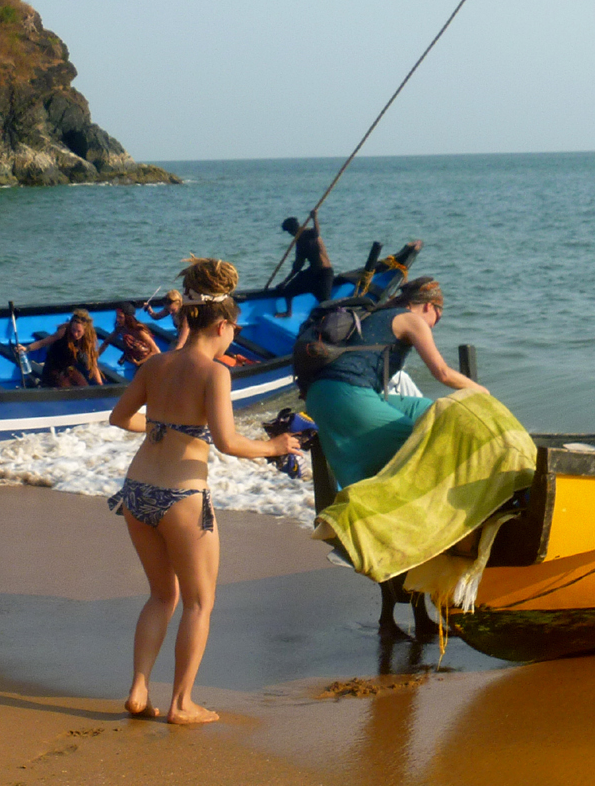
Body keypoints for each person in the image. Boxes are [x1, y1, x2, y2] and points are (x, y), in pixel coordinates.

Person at [106, 259, 300, 725]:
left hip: (136, 492)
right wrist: (274, 445)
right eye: (234, 328)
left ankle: (138, 690)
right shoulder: (215, 373)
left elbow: (118, 418)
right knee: (198, 602)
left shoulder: (155, 364)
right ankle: (180, 704)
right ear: (222, 324)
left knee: (160, 596)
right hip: (181, 498)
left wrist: (159, 427)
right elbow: (230, 443)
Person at [302, 277, 482, 493]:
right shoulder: (411, 319)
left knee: (430, 411)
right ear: (429, 306)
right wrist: (482, 393)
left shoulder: (377, 315)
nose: (434, 325)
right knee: (419, 452)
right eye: (437, 318)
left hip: (320, 395)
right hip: (347, 394)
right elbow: (442, 373)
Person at [25, 308, 106, 387]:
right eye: (73, 330)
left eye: (79, 332)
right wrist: (27, 348)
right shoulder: (63, 332)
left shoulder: (88, 339)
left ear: (85, 330)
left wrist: (100, 383)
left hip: (69, 369)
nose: (75, 334)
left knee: (84, 389)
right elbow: (42, 343)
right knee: (67, 392)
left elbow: (93, 364)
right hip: (53, 370)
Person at [272, 213, 333, 317]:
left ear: (292, 230)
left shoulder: (308, 234)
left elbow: (316, 232)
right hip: (313, 272)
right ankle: (288, 312)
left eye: (289, 232)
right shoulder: (300, 240)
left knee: (325, 302)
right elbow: (298, 266)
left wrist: (315, 218)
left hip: (325, 273)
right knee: (288, 290)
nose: (291, 234)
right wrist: (285, 282)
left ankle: (328, 318)